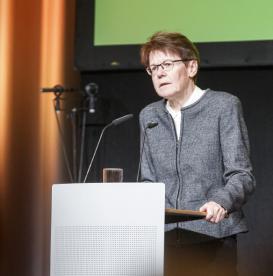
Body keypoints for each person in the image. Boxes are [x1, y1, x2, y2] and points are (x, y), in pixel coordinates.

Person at [139, 31, 255, 276]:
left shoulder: (223, 106)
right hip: (165, 240)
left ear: (191, 67)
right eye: (153, 68)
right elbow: (148, 181)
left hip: (212, 234)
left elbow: (242, 175)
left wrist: (220, 202)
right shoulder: (149, 116)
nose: (159, 73)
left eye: (167, 64)